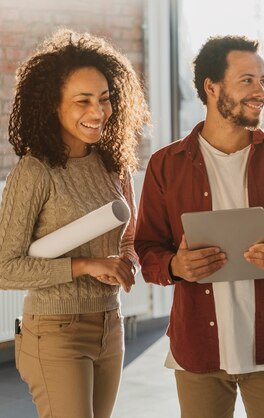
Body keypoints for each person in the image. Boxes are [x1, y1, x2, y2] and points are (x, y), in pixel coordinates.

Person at [134, 35, 264, 418]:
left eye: (263, 81)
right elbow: (147, 250)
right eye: (247, 80)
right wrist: (176, 266)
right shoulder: (165, 165)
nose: (261, 92)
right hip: (198, 349)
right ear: (211, 87)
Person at [0, 29, 149, 418]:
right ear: (53, 105)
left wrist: (127, 262)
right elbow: (4, 268)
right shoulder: (35, 172)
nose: (98, 112)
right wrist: (86, 266)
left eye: (104, 99)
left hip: (109, 324)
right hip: (54, 330)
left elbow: (128, 237)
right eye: (83, 101)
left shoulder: (114, 166)